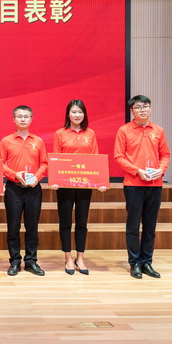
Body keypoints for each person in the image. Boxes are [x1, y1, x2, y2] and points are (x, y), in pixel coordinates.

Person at [114, 95, 170, 279]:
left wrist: (161, 170)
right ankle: (135, 263)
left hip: (155, 184)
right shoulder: (124, 130)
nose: (143, 110)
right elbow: (118, 157)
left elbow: (165, 155)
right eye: (138, 107)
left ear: (150, 109)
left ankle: (147, 262)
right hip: (134, 184)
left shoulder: (158, 130)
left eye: (146, 106)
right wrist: (137, 171)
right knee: (133, 226)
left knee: (150, 226)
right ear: (132, 111)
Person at [51, 99, 107, 275]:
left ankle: (80, 257)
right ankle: (68, 257)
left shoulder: (90, 133)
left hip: (84, 184)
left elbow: (95, 158)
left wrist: (100, 181)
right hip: (65, 185)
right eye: (74, 112)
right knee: (65, 221)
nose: (77, 115)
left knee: (82, 222)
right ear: (68, 114)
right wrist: (54, 179)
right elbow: (56, 157)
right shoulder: (60, 133)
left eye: (80, 112)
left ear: (84, 114)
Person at [0, 105, 48, 277]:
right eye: (19, 116)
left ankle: (31, 261)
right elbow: (0, 164)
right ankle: (14, 261)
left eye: (26, 116)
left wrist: (37, 177)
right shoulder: (6, 141)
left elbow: (44, 163)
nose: (23, 119)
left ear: (31, 119)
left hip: (33, 188)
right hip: (14, 188)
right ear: (14, 119)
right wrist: (15, 175)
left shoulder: (38, 141)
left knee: (32, 226)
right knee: (13, 227)